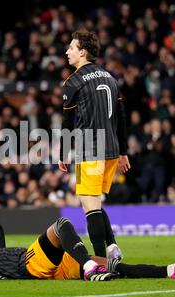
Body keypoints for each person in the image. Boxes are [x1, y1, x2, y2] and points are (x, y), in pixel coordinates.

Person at [58, 29, 131, 260]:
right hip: (111, 148)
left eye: (71, 47)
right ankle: (111, 247)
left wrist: (63, 153)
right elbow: (121, 116)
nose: (67, 51)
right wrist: (123, 152)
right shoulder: (110, 77)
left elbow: (67, 122)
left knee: (89, 207)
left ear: (83, 52)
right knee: (95, 203)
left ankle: (100, 261)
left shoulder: (73, 81)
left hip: (89, 148)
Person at [0, 217, 175, 281]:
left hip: (47, 269)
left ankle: (171, 270)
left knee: (116, 268)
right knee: (61, 225)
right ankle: (89, 268)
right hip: (30, 264)